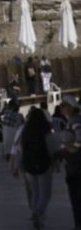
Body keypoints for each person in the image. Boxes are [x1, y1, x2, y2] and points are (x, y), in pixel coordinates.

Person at [12, 106, 55, 229]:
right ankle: (39, 212)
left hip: (29, 166)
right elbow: (51, 148)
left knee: (35, 192)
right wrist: (55, 164)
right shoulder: (46, 130)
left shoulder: (26, 131)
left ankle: (35, 212)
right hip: (43, 165)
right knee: (45, 194)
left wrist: (17, 166)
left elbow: (20, 150)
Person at [58, 95, 81, 230]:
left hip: (76, 166)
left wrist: (69, 148)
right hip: (73, 165)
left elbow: (79, 139)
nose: (61, 108)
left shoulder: (75, 121)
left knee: (77, 196)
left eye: (63, 106)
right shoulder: (71, 121)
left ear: (70, 107)